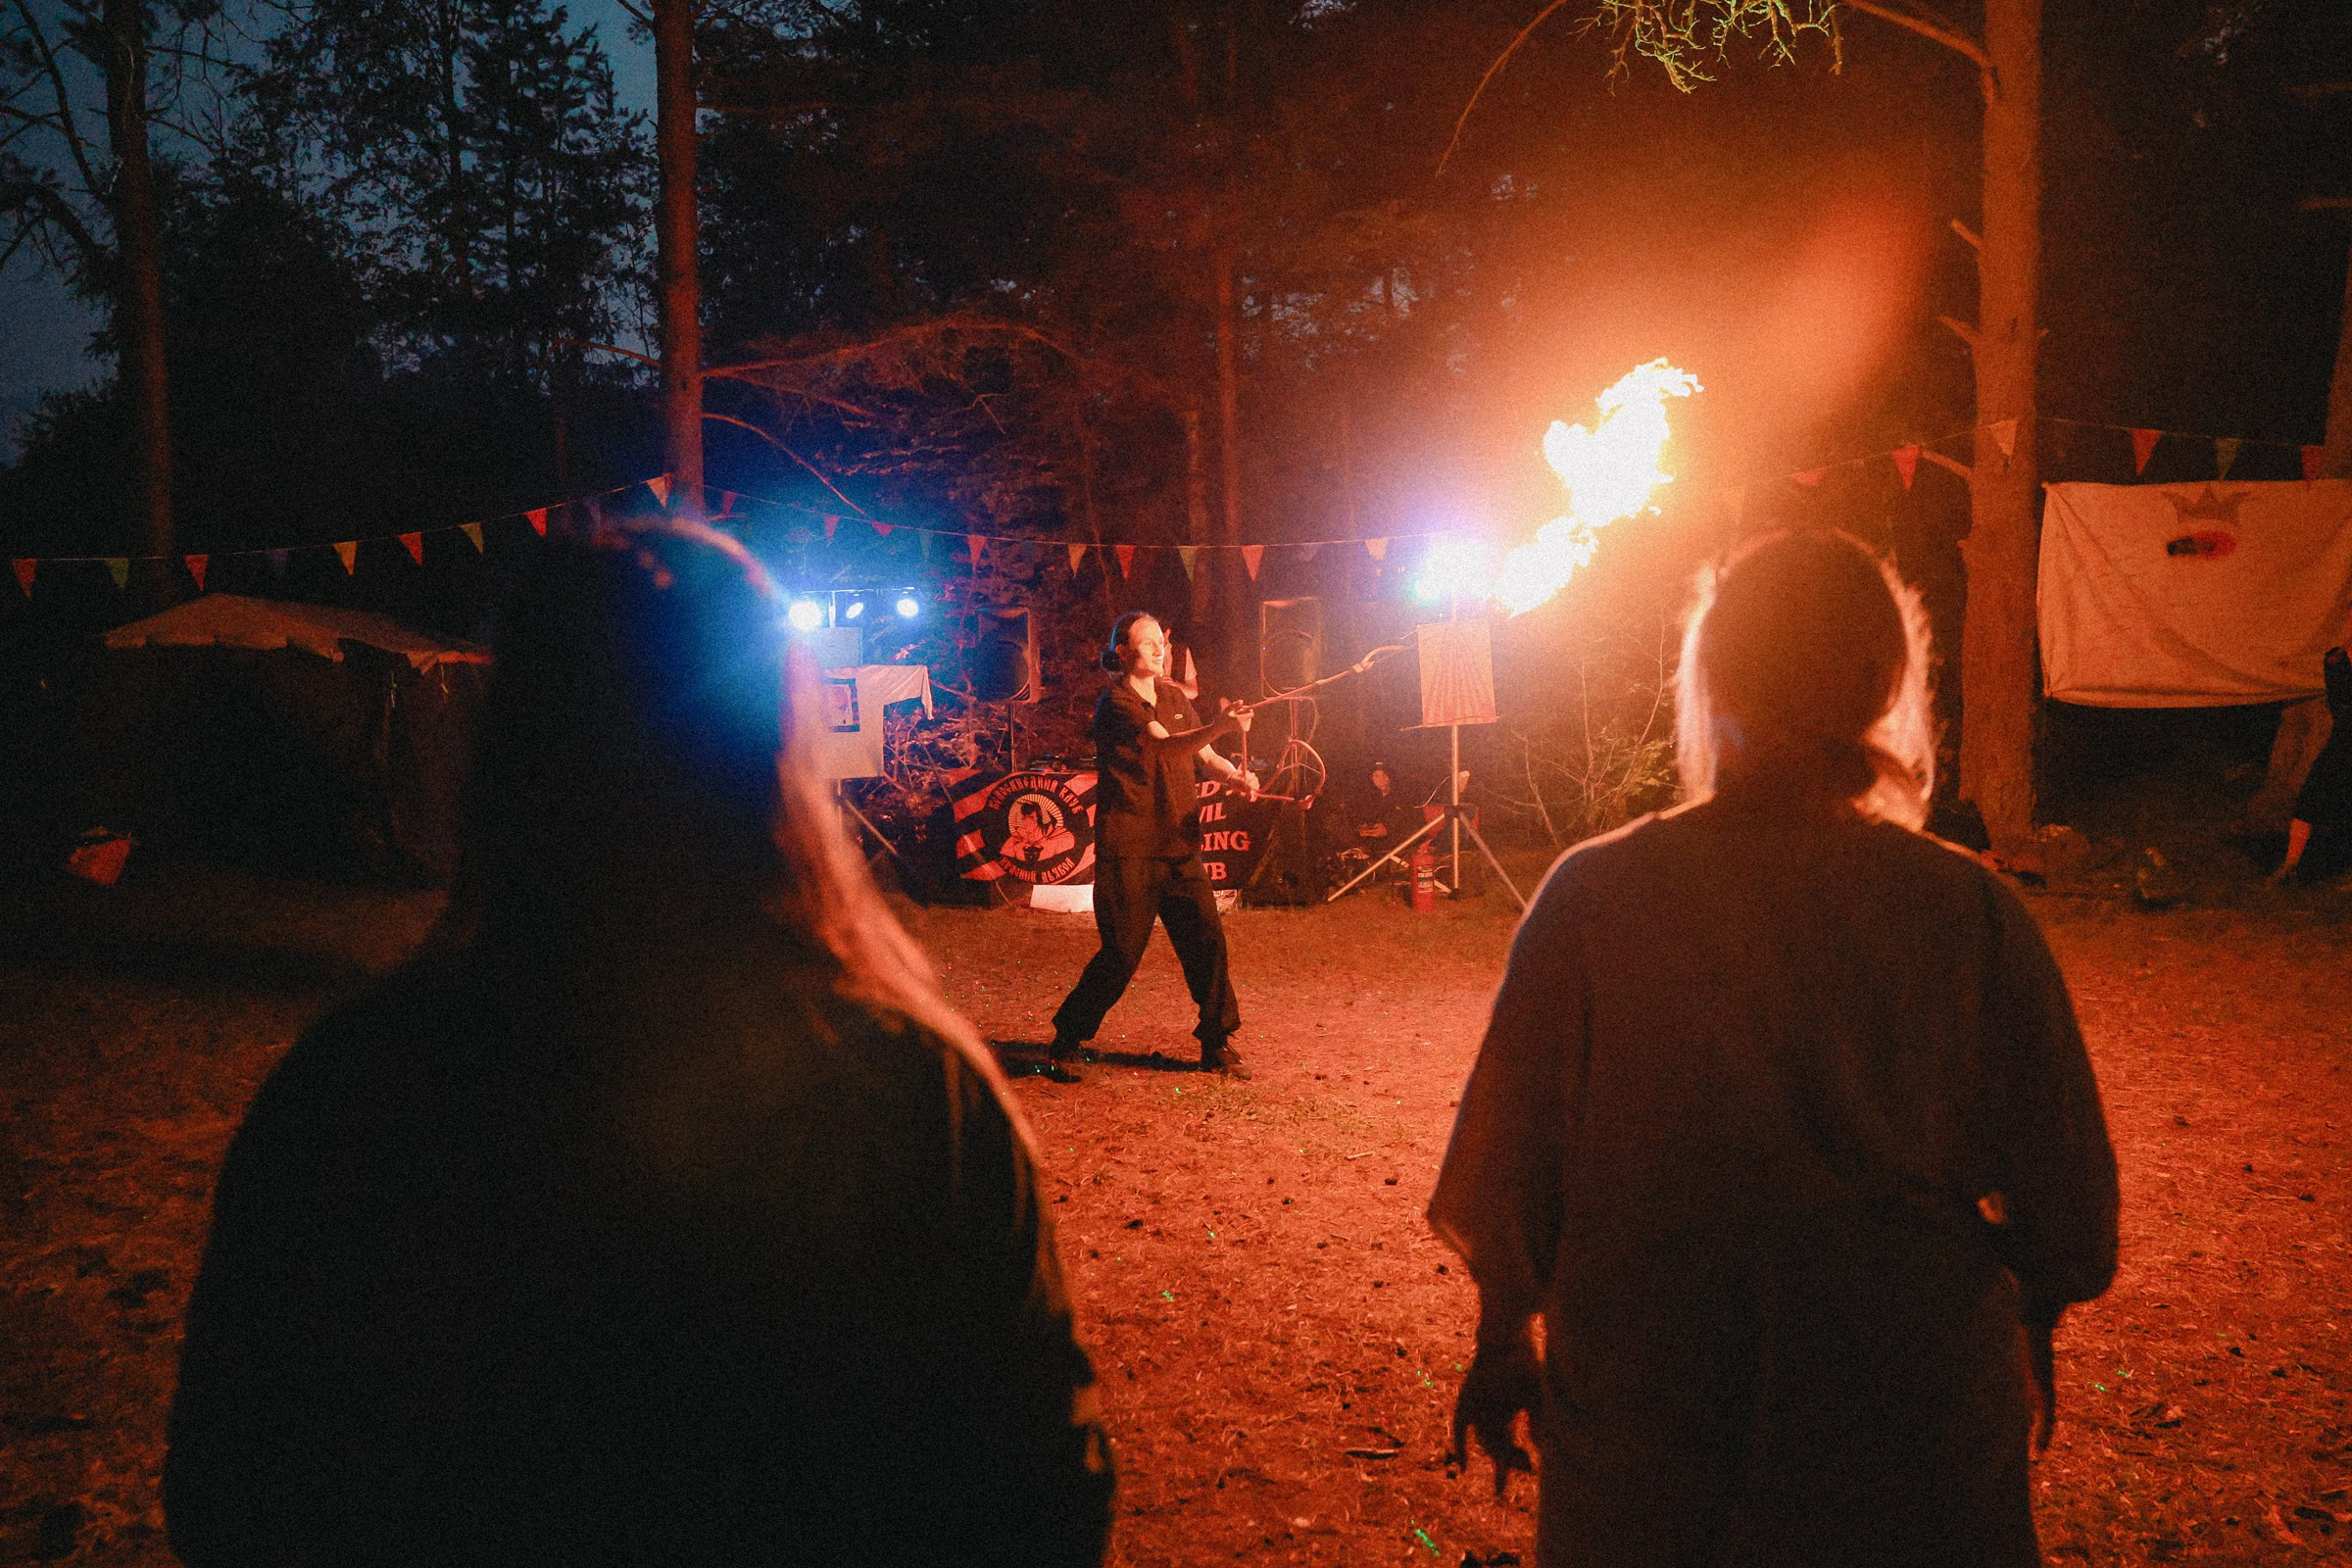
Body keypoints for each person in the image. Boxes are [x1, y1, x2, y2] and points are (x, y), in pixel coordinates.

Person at [164, 518, 1112, 1568]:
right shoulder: (911, 1090)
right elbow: (1040, 1486)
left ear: (511, 750)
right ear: (778, 757)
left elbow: (237, 1488)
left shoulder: (356, 1092)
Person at [1429, 529, 2119, 1568]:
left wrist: (1500, 1339)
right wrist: (2032, 1311)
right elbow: (2070, 1208)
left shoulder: (1597, 897)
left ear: (1716, 676)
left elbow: (1512, 1163)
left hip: (1654, 1426)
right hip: (1907, 1428)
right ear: (1883, 680)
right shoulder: (1966, 911)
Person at [1050, 611, 1257, 1081]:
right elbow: (1165, 745)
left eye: (1161, 639)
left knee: (1207, 942)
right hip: (1130, 848)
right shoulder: (1116, 702)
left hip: (1179, 844)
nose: (1160, 647)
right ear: (1123, 652)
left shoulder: (1175, 696)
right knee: (1121, 953)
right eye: (1147, 642)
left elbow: (1205, 755)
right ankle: (1068, 1036)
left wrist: (1236, 776)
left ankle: (1216, 1042)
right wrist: (1221, 726)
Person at [2268, 642, 2352, 887]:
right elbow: (2341, 704)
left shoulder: (2336, 660)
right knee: (2310, 800)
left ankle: (2296, 864)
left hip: (2342, 741)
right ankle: (2291, 864)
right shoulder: (2336, 660)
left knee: (2334, 807)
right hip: (2342, 744)